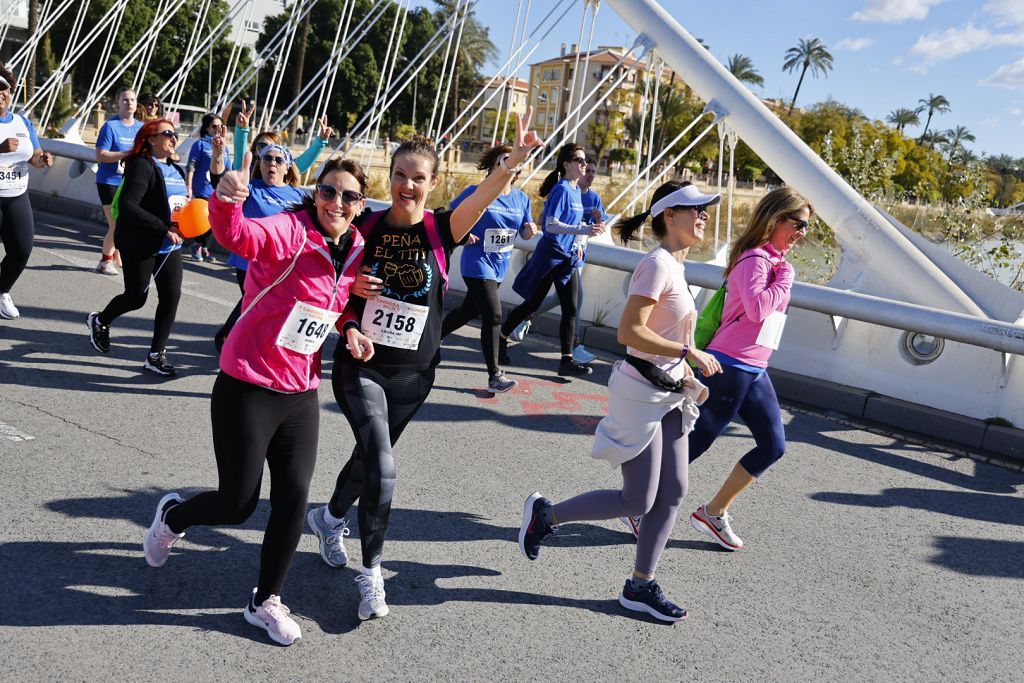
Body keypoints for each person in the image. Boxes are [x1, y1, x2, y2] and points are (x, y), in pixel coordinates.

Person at [305, 109, 544, 621]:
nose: (407, 185)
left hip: (416, 375)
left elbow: (485, 195)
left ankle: (328, 519)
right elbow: (328, 274)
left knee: (371, 457)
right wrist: (350, 303)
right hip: (361, 363)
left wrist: (511, 166)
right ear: (388, 178)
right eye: (399, 175)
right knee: (384, 470)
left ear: (434, 184)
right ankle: (371, 576)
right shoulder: (362, 224)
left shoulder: (442, 229)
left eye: (419, 178)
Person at [140, 155, 371, 646]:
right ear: (316, 192)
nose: (336, 202)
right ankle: (173, 518)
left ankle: (264, 600)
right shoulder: (289, 231)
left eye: (348, 196)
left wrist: (349, 326)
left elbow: (340, 296)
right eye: (328, 191)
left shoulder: (354, 247)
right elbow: (241, 237)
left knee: (293, 500)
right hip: (246, 382)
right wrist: (226, 201)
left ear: (359, 205)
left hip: (301, 391)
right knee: (237, 503)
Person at [517, 180, 723, 622]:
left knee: (675, 491)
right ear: (670, 215)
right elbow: (629, 334)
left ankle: (640, 584)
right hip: (640, 392)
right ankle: (546, 516)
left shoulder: (677, 267)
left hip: (668, 390)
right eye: (696, 209)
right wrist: (688, 352)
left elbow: (663, 333)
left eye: (707, 209)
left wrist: (683, 364)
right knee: (638, 501)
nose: (704, 215)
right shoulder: (657, 265)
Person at [686, 187, 812, 551]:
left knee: (773, 446)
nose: (802, 233)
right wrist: (785, 278)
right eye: (798, 224)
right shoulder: (755, 259)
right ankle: (641, 503)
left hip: (755, 366)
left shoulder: (773, 262)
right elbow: (758, 309)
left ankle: (713, 511)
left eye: (806, 227)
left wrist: (782, 272)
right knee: (696, 441)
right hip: (729, 363)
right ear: (775, 218)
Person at [213, 104, 334, 352]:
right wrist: (242, 131)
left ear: (287, 166)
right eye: (267, 158)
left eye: (279, 160)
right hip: (251, 260)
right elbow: (236, 168)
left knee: (268, 304)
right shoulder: (251, 187)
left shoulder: (297, 194)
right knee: (253, 301)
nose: (272, 163)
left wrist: (321, 141)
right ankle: (228, 339)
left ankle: (248, 342)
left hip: (285, 263)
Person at [87, 119, 188, 377]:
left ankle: (156, 355)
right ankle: (100, 320)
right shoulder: (141, 166)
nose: (173, 138)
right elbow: (130, 206)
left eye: (174, 134)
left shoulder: (176, 169)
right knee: (136, 297)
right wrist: (162, 228)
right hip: (140, 242)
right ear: (150, 139)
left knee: (171, 296)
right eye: (167, 133)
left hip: (169, 246)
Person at [497, 143, 603, 377]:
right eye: (580, 160)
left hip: (567, 259)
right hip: (550, 257)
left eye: (585, 161)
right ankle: (501, 338)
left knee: (571, 308)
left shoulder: (576, 191)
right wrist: (582, 230)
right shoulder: (562, 189)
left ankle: (566, 360)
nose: (584, 165)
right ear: (566, 165)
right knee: (531, 304)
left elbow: (573, 229)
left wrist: (583, 237)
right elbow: (550, 225)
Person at [440, 144, 538, 393]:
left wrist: (529, 230)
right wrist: (465, 233)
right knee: (494, 316)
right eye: (503, 162)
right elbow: (451, 215)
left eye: (512, 163)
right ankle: (495, 375)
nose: (508, 167)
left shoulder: (521, 198)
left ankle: (430, 339)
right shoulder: (477, 192)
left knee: (467, 311)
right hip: (476, 263)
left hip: (499, 266)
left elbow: (525, 230)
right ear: (494, 167)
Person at [0, 63, 54, 320]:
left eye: (5, 89)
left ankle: (2, 292)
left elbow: (33, 156)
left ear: (11, 93)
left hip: (16, 196)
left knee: (22, 249)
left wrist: (43, 160)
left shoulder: (22, 123)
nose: (1, 93)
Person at [94, 87, 142, 275]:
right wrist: (125, 154)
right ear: (118, 103)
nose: (129, 103)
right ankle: (104, 262)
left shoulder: (140, 128)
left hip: (130, 182)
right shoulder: (111, 127)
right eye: (125, 100)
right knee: (116, 224)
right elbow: (100, 155)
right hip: (109, 181)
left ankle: (116, 254)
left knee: (126, 224)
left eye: (132, 99)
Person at [571, 159, 610, 364]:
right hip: (563, 252)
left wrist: (597, 221)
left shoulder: (594, 198)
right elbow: (545, 219)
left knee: (566, 297)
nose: (591, 175)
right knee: (576, 297)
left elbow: (600, 228)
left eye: (594, 172)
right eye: (588, 171)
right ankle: (575, 345)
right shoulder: (569, 192)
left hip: (579, 254)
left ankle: (522, 318)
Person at [185, 113, 230, 262]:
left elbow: (228, 169)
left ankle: (203, 246)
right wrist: (189, 187)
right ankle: (198, 245)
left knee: (215, 221)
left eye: (220, 126)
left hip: (218, 190)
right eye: (214, 126)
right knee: (205, 219)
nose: (217, 129)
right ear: (207, 128)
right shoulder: (200, 144)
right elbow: (191, 166)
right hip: (202, 189)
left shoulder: (225, 147)